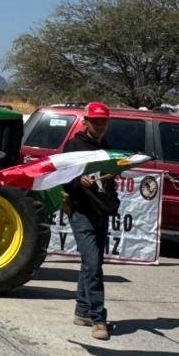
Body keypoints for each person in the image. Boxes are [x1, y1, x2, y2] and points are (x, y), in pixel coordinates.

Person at [62, 101, 119, 341]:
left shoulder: (106, 147)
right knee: (93, 264)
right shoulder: (74, 146)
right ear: (85, 122)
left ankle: (82, 311)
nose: (99, 125)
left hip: (100, 211)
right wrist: (79, 181)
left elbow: (108, 181)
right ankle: (98, 318)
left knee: (91, 264)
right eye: (95, 121)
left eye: (103, 121)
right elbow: (63, 177)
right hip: (81, 212)